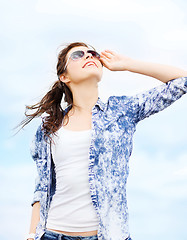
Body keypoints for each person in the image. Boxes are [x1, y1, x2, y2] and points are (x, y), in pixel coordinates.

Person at [24, 42, 187, 240]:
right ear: (64, 77)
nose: (89, 56)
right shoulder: (49, 127)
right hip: (52, 234)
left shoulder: (121, 110)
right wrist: (32, 234)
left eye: (93, 53)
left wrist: (128, 64)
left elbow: (182, 80)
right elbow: (42, 187)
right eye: (78, 55)